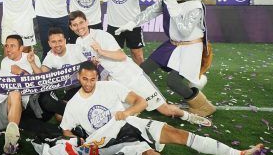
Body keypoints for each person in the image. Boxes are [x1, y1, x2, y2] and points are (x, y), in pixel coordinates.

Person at [37, 62, 263, 155]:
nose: (89, 83)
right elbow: (66, 131)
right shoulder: (74, 104)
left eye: (92, 79)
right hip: (108, 141)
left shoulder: (110, 87)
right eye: (84, 79)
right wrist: (83, 141)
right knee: (150, 154)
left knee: (177, 134)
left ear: (97, 76)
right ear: (79, 77)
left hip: (130, 123)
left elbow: (141, 102)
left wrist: (127, 113)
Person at [69, 11, 211, 126]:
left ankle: (188, 117)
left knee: (165, 110)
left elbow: (121, 56)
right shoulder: (79, 43)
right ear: (71, 28)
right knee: (118, 115)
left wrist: (101, 51)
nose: (79, 27)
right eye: (74, 25)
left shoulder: (101, 35)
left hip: (133, 77)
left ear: (87, 22)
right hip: (116, 82)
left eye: (81, 22)